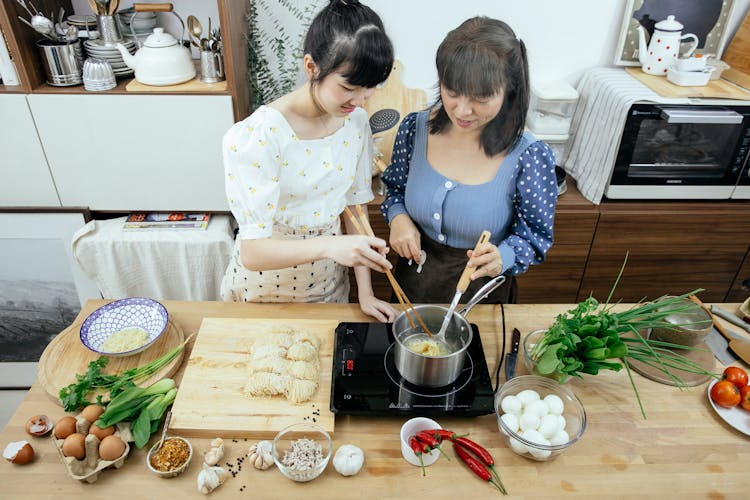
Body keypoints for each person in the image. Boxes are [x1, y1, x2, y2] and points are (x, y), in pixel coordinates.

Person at [221, 0, 397, 322]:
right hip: (265, 291)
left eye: (369, 90)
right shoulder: (260, 135)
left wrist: (367, 294)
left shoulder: (355, 122)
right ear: (312, 67)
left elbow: (355, 210)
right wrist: (330, 246)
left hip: (330, 286)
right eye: (348, 88)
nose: (359, 101)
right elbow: (253, 252)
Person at [380, 16, 557, 304]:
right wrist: (398, 217)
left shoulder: (529, 155)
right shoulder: (414, 129)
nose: (462, 110)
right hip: (409, 289)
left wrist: (505, 255)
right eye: (452, 92)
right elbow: (395, 190)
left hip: (481, 297)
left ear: (509, 90)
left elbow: (535, 237)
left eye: (481, 98)